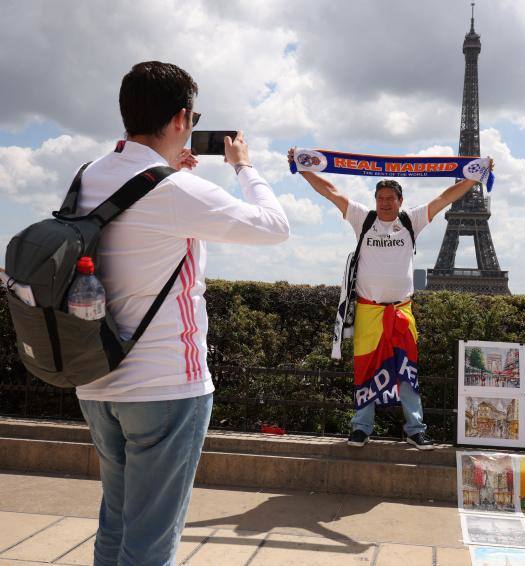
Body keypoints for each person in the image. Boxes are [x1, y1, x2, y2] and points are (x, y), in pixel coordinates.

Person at [75, 61, 290, 566]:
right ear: (179, 119)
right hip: (166, 387)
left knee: (116, 523)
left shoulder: (87, 176)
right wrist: (243, 166)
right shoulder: (174, 190)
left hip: (95, 380)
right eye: (193, 119)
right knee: (151, 542)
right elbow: (274, 225)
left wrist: (175, 175)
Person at [289, 148, 491, 450]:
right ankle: (361, 427)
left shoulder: (412, 220)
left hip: (401, 312)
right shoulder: (363, 218)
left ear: (400, 201)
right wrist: (303, 169)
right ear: (375, 201)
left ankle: (415, 429)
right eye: (380, 198)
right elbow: (331, 191)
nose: (385, 203)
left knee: (407, 372)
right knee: (365, 368)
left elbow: (445, 197)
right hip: (369, 312)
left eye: (390, 199)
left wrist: (474, 177)